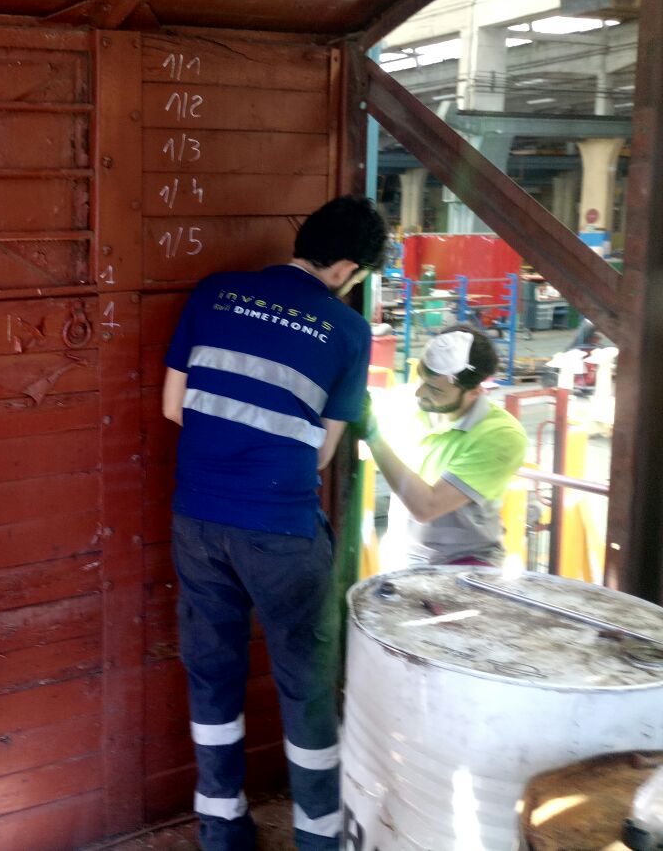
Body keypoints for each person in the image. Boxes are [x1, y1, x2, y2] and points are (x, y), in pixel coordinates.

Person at [161, 195, 387, 851]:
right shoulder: (347, 331)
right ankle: (318, 837)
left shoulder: (215, 292)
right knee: (308, 690)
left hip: (197, 519)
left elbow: (174, 407)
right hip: (282, 531)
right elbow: (320, 453)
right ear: (346, 268)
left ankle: (221, 828)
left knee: (212, 676)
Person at [361, 325, 527, 568]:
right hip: (402, 557)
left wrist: (373, 436)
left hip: (464, 566)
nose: (419, 392)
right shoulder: (404, 403)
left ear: (475, 392)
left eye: (435, 389)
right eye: (422, 380)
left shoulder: (501, 436)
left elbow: (427, 507)